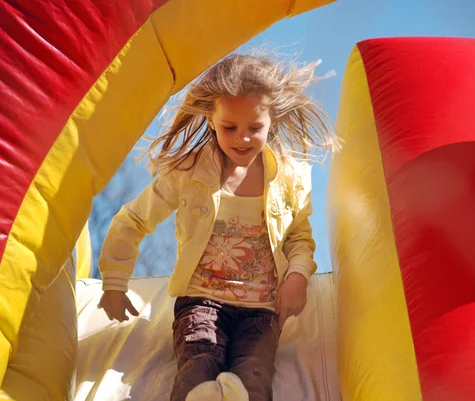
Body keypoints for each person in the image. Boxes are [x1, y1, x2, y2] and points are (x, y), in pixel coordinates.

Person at [96, 52, 339, 401]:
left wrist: (298, 276)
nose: (242, 139)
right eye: (230, 127)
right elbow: (134, 219)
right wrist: (115, 283)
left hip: (262, 309)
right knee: (200, 360)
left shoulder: (290, 178)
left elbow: (299, 236)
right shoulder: (189, 173)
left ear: (272, 121)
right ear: (211, 119)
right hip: (201, 300)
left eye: (255, 128)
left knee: (254, 371)